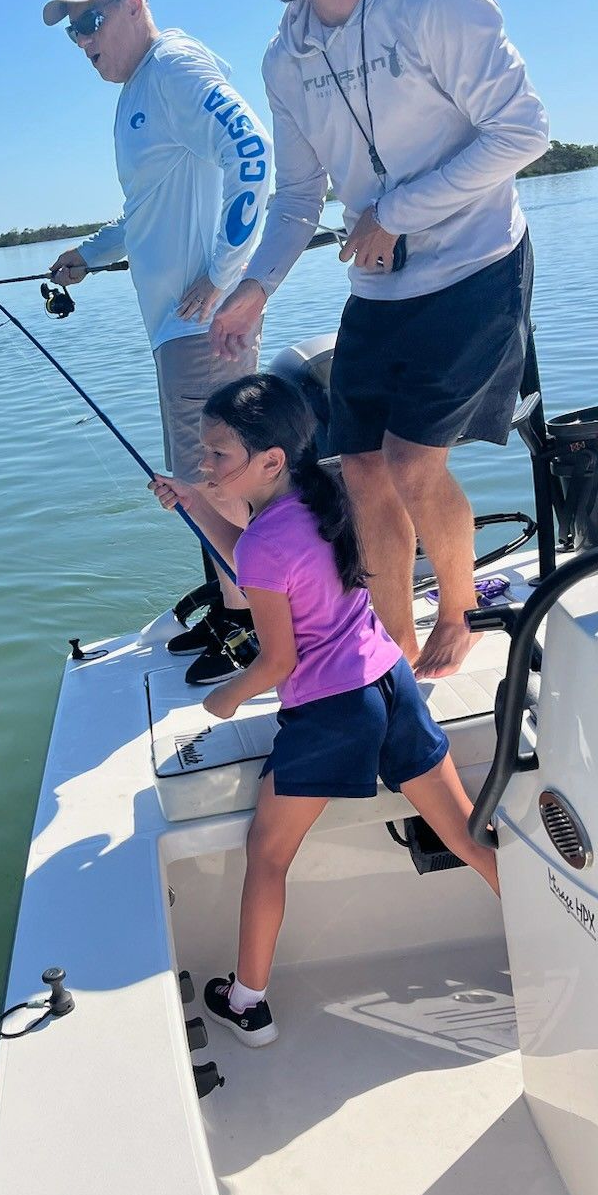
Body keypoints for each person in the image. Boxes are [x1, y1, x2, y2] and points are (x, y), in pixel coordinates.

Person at [207, 0, 550, 681]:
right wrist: (254, 289)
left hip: (476, 265)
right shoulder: (284, 58)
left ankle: (459, 613)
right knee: (358, 467)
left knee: (410, 462)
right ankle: (392, 645)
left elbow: (523, 131)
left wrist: (396, 212)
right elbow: (298, 197)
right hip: (379, 287)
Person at [150, 373, 499, 1045]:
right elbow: (258, 561)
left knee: (267, 855)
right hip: (392, 684)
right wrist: (195, 502)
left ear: (270, 461)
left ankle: (247, 1003)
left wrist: (224, 698)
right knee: (466, 835)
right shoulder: (319, 496)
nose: (205, 464)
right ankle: (557, 933)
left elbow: (276, 663)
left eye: (218, 454)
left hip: (333, 714)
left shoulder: (262, 541)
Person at [42, 0, 274, 685]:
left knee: (213, 483)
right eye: (73, 28)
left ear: (135, 3)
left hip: (199, 330)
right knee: (201, 480)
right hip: (177, 333)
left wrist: (225, 272)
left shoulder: (173, 68)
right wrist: (90, 254)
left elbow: (254, 152)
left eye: (92, 19)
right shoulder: (139, 92)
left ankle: (256, 624)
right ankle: (234, 604)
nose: (83, 39)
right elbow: (144, 214)